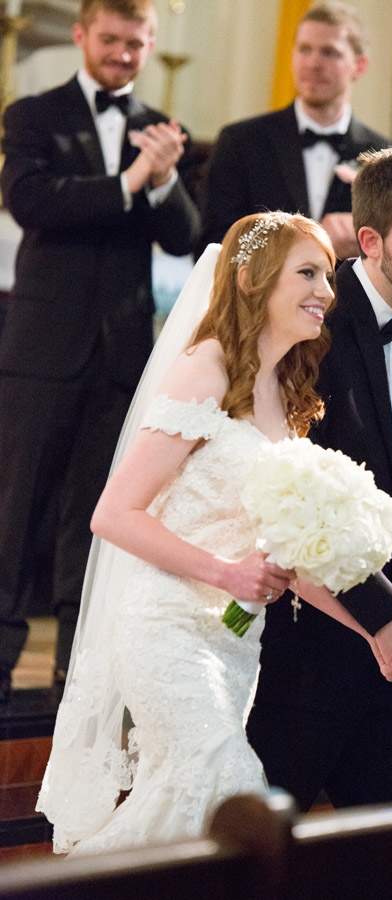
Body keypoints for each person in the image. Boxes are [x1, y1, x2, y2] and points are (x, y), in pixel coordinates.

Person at [36, 211, 392, 855]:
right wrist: (227, 573)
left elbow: (292, 559)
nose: (326, 291)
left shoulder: (285, 392)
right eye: (307, 273)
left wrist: (376, 630)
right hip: (165, 626)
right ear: (251, 279)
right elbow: (113, 514)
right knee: (223, 785)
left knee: (187, 806)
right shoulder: (205, 368)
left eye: (328, 276)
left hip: (233, 641)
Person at [247, 148, 392, 811]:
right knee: (260, 862)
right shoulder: (306, 327)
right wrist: (382, 617)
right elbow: (292, 499)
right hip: (303, 658)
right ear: (371, 240)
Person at [0, 0, 201, 703]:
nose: (122, 53)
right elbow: (32, 203)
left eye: (135, 43)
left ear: (150, 45)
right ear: (83, 35)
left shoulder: (160, 131)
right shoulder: (33, 115)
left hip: (121, 355)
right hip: (43, 349)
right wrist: (129, 184)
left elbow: (185, 236)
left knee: (97, 514)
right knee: (14, 511)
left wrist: (168, 177)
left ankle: (75, 673)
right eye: (110, 39)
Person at [197, 1, 390, 260]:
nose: (313, 63)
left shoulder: (385, 157)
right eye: (304, 49)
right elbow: (214, 247)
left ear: (360, 65)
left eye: (329, 52)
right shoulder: (241, 142)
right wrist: (312, 246)